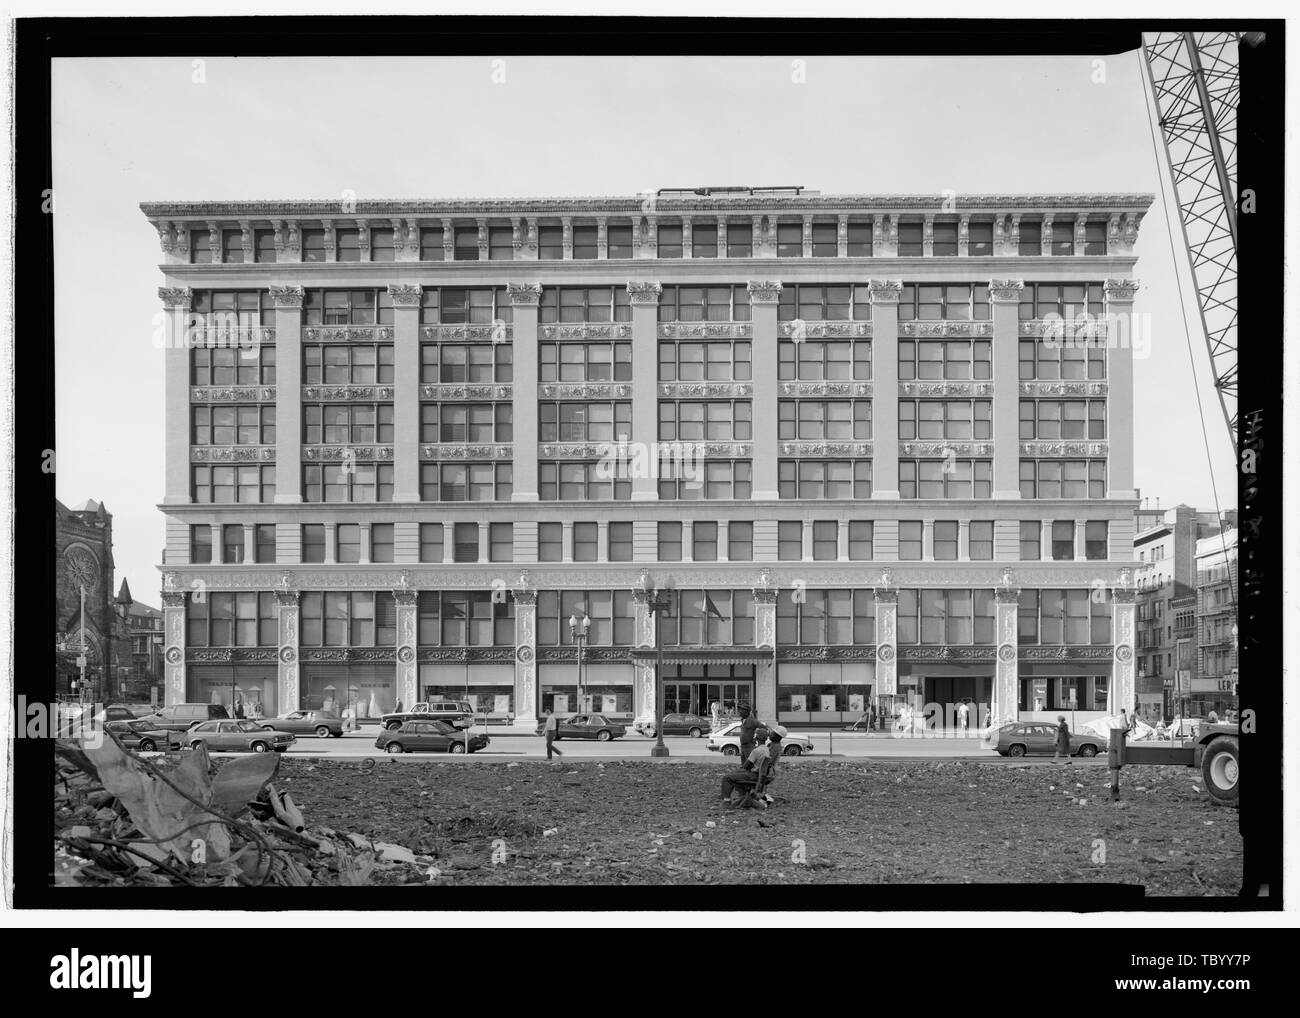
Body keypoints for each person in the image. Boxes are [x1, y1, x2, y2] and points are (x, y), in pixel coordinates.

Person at [721, 730, 782, 806]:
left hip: (754, 776)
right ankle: (743, 797)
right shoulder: (767, 749)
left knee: (727, 777)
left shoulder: (756, 751)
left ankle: (726, 801)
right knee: (735, 774)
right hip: (761, 776)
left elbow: (746, 766)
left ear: (756, 738)